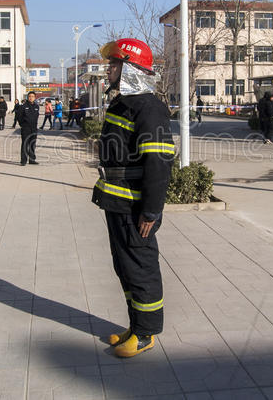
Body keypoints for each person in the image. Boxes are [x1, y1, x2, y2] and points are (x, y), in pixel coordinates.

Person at [93, 38, 174, 358]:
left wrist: (151, 212)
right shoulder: (123, 103)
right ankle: (135, 324)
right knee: (124, 266)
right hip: (116, 202)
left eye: (114, 64)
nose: (109, 69)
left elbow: (159, 161)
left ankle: (146, 333)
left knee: (140, 268)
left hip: (136, 206)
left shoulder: (149, 107)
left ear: (131, 68)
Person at [16, 91, 39, 165]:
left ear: (35, 98)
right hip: (26, 128)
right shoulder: (23, 106)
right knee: (25, 144)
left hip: (34, 128)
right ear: (27, 97)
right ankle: (23, 161)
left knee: (32, 144)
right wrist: (22, 124)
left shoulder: (36, 106)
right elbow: (19, 117)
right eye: (29, 96)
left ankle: (32, 160)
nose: (31, 98)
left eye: (32, 96)